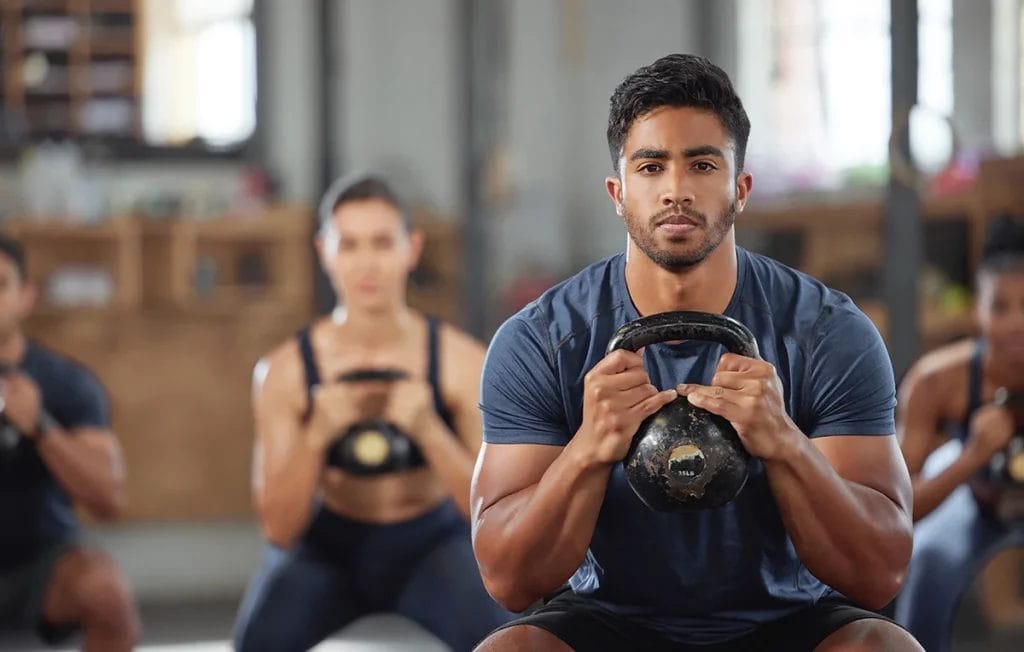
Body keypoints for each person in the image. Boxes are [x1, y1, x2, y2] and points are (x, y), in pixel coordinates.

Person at [470, 53, 922, 651]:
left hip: (784, 621)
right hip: (610, 622)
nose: (676, 190)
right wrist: (588, 450)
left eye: (702, 164)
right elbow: (508, 579)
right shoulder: (541, 340)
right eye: (651, 167)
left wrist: (782, 440)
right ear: (617, 191)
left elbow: (879, 572)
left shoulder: (828, 332)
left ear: (740, 188)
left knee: (885, 648)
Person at [232, 174, 511, 652]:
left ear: (411, 249)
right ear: (325, 252)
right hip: (330, 543)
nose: (367, 264)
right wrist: (317, 433)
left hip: (431, 541)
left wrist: (429, 430)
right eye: (350, 245)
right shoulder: (285, 372)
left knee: (512, 644)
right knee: (257, 645)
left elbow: (496, 514)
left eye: (382, 243)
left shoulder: (462, 361)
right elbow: (279, 527)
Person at [0, 234, 139, 650]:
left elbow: (109, 500)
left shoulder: (65, 384)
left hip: (37, 564)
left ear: (25, 296)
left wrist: (40, 426)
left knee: (105, 592)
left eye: (0, 285)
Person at [894, 215, 1024, 651]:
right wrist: (973, 454)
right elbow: (896, 508)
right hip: (975, 500)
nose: (1017, 324)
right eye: (1001, 307)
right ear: (977, 309)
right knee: (930, 558)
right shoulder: (937, 381)